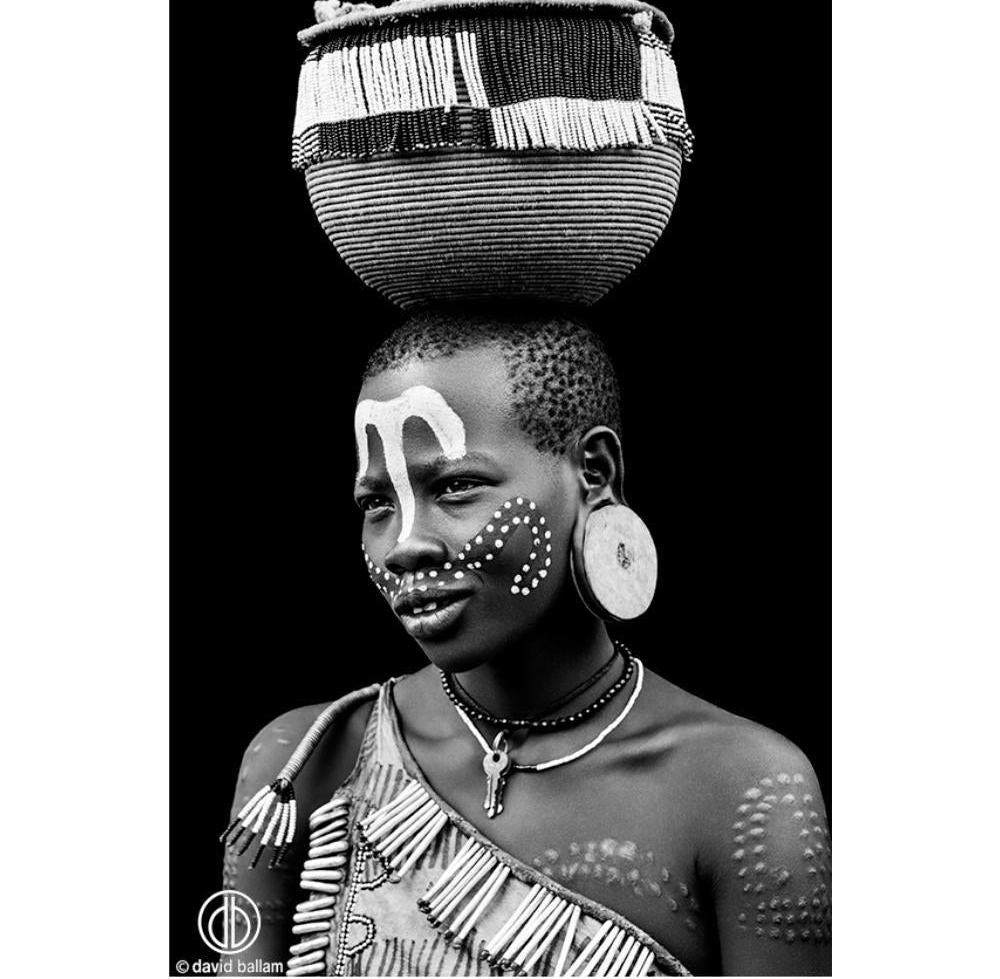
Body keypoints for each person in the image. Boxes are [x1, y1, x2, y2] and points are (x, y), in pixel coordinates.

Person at [223, 315, 831, 976]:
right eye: (377, 504)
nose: (403, 546)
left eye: (455, 487)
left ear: (594, 472)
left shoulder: (745, 792)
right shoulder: (304, 766)